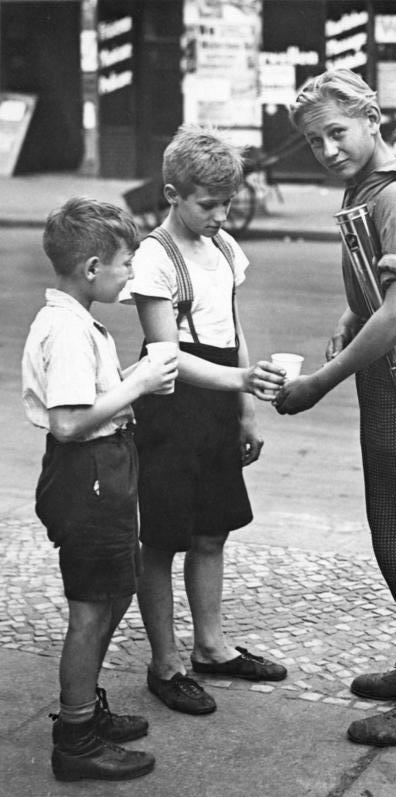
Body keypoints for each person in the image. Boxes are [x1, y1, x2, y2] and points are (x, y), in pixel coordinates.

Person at [276, 69, 396, 747]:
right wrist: (348, 309)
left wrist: (319, 382)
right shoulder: (371, 190)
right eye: (313, 141)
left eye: (338, 132)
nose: (327, 149)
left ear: (372, 119)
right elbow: (382, 288)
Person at [121, 123, 287, 717]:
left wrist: (244, 408)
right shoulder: (153, 258)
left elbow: (233, 327)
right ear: (171, 194)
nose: (221, 214)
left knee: (211, 529)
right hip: (168, 403)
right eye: (209, 204)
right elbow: (166, 355)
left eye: (228, 203)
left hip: (217, 399)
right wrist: (239, 382)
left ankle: (212, 647)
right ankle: (165, 663)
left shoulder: (221, 248)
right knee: (163, 536)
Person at [21, 197, 178, 781]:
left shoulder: (76, 319)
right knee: (92, 607)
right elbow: (67, 421)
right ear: (91, 268)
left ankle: (83, 706)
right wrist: (138, 383)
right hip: (86, 471)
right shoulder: (66, 330)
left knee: (114, 591)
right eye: (125, 265)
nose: (131, 276)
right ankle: (77, 738)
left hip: (103, 467)